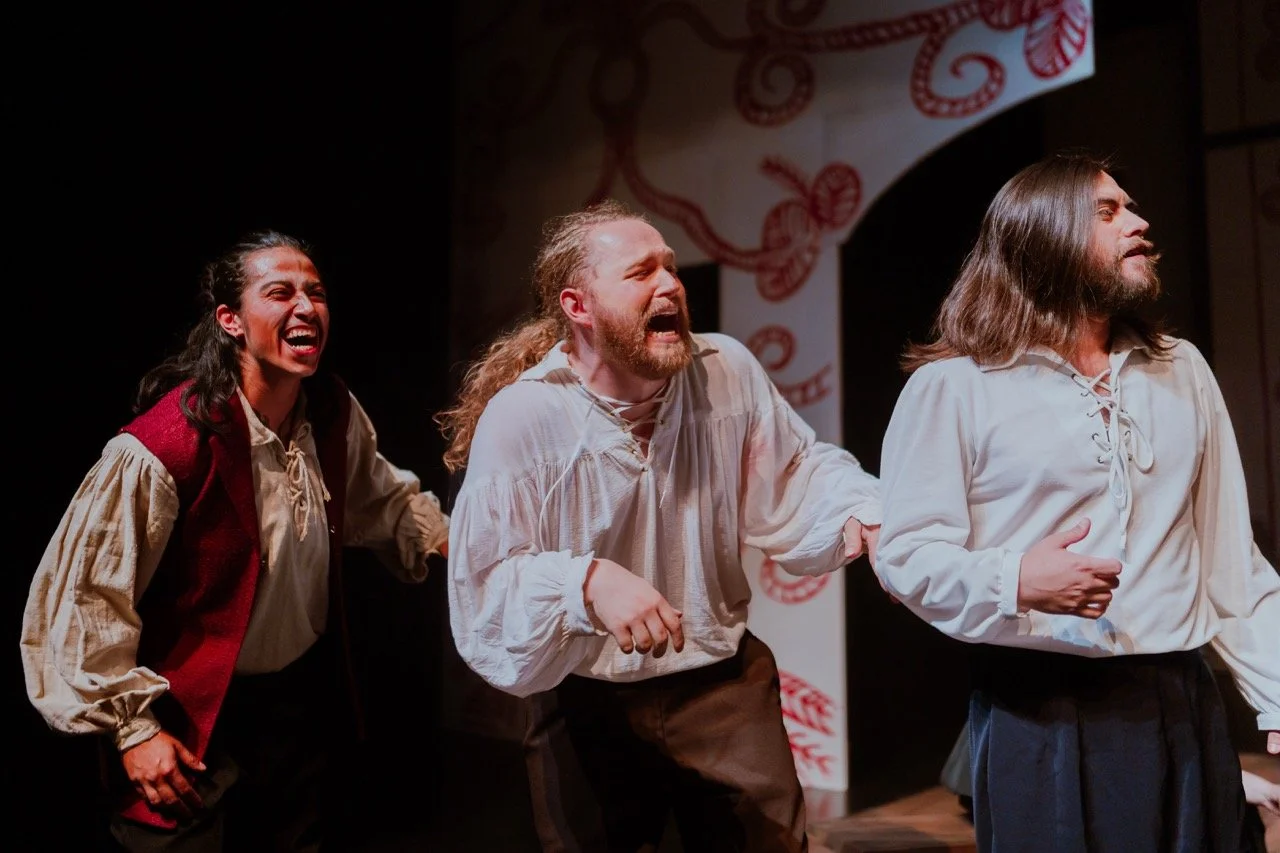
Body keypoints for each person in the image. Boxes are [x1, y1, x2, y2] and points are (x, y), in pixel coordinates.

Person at [438, 198, 882, 852]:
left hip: (720, 680)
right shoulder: (525, 416)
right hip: (584, 696)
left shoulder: (725, 372)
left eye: (670, 267)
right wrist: (584, 581)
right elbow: (484, 580)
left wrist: (868, 513)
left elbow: (796, 471)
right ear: (578, 307)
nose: (670, 283)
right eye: (641, 272)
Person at [873, 150, 1280, 852]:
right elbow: (905, 556)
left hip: (1181, 700)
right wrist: (1014, 579)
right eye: (1109, 210)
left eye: (1132, 205)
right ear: (1044, 236)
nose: (1140, 223)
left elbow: (1229, 561)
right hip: (1042, 711)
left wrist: (1276, 686)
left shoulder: (1179, 368)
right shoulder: (956, 386)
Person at [20, 230, 450, 852]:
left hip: (296, 712)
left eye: (317, 293)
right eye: (280, 293)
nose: (306, 307)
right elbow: (83, 599)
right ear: (231, 320)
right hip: (189, 718)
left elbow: (383, 501)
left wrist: (455, 548)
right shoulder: (165, 445)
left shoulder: (331, 413)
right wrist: (132, 730)